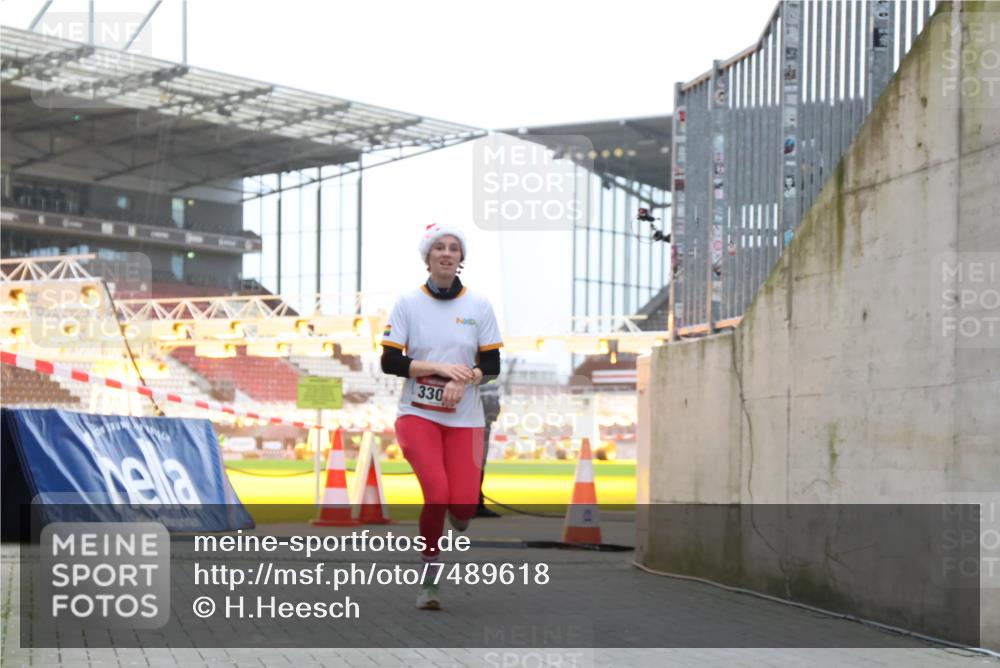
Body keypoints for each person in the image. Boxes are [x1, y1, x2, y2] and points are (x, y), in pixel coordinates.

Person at [380, 223, 502, 610]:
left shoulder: (479, 306)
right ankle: (429, 580)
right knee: (437, 496)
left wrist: (468, 378)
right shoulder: (407, 304)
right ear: (428, 257)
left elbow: (493, 363)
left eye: (454, 248)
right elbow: (390, 361)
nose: (447, 253)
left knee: (464, 506)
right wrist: (439, 369)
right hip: (418, 415)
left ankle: (461, 513)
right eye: (439, 248)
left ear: (461, 259)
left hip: (465, 420)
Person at [476, 381, 502, 517]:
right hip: (470, 420)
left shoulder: (490, 366)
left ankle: (476, 503)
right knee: (474, 463)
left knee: (479, 462)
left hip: (484, 421)